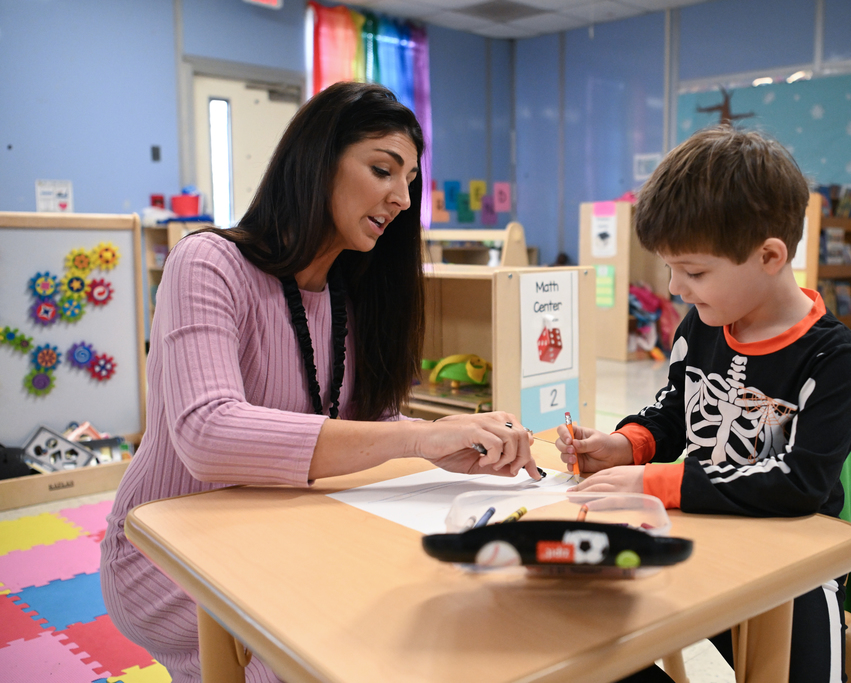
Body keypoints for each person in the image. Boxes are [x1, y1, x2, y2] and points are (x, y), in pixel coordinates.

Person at [100, 82, 538, 683]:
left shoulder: (346, 293)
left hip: (278, 529)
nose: (401, 198)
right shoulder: (206, 263)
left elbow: (372, 426)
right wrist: (416, 442)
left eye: (409, 180)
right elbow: (206, 433)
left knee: (444, 605)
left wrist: (454, 440)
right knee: (359, 642)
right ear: (316, 161)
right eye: (383, 169)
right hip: (168, 550)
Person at [556, 125, 851, 683]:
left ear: (770, 255)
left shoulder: (833, 357)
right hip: (689, 533)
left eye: (694, 271)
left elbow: (801, 484)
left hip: (787, 559)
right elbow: (675, 412)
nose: (676, 287)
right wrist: (627, 446)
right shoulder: (703, 320)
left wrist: (655, 481)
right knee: (580, 630)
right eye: (671, 268)